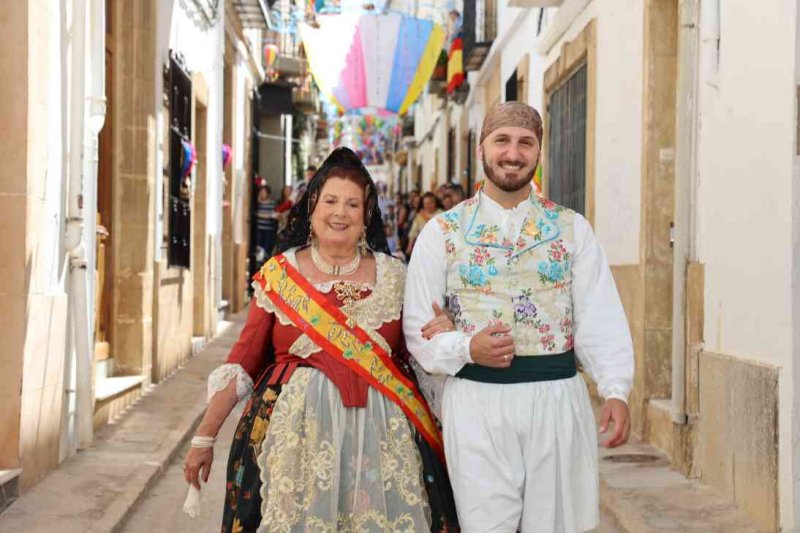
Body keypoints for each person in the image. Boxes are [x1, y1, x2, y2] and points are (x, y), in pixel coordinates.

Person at [184, 147, 459, 532]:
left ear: (366, 217)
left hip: (383, 453)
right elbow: (243, 362)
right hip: (294, 448)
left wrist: (443, 330)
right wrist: (203, 438)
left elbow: (421, 354)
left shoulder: (396, 277)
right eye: (330, 200)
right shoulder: (279, 275)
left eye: (352, 204)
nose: (340, 212)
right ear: (312, 208)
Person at [403, 102, 634, 533]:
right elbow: (419, 330)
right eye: (502, 141)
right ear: (481, 149)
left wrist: (616, 388)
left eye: (525, 142)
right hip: (476, 405)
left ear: (539, 151)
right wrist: (466, 346)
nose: (513, 153)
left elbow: (598, 315)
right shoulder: (442, 233)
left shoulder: (572, 229)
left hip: (556, 403)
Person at [405, 192, 442, 256]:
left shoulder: (442, 214)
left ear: (435, 203)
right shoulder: (420, 216)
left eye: (430, 203)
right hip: (423, 247)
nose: (428, 205)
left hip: (438, 247)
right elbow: (413, 232)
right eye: (426, 203)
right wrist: (410, 245)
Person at [255, 185, 278, 261]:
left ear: (268, 193)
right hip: (259, 229)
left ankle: (263, 263)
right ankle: (258, 263)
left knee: (266, 248)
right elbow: (255, 213)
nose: (262, 194)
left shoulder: (272, 204)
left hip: (268, 230)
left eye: (264, 192)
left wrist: (261, 215)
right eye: (260, 192)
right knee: (258, 247)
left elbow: (274, 216)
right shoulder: (258, 204)